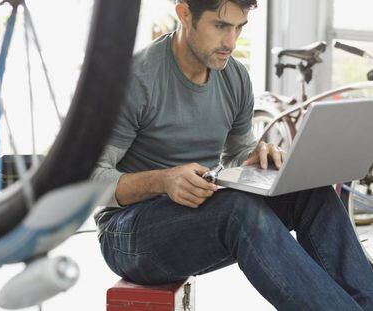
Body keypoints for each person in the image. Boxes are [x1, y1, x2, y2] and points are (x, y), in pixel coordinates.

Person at [93, 0, 373, 309]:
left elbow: (237, 152)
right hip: (128, 235)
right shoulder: (137, 79)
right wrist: (163, 181)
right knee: (237, 210)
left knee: (311, 193)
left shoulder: (234, 77)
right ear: (185, 14)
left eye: (239, 27)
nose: (231, 42)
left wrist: (258, 156)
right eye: (221, 26)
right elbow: (88, 184)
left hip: (199, 217)